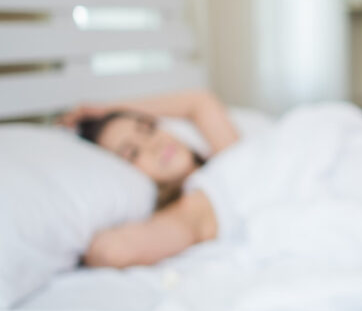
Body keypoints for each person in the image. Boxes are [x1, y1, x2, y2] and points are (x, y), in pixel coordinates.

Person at [59, 89, 239, 268]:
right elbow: (111, 252)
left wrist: (108, 109)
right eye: (132, 153)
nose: (154, 144)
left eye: (147, 128)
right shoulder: (193, 208)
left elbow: (199, 101)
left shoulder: (230, 156)